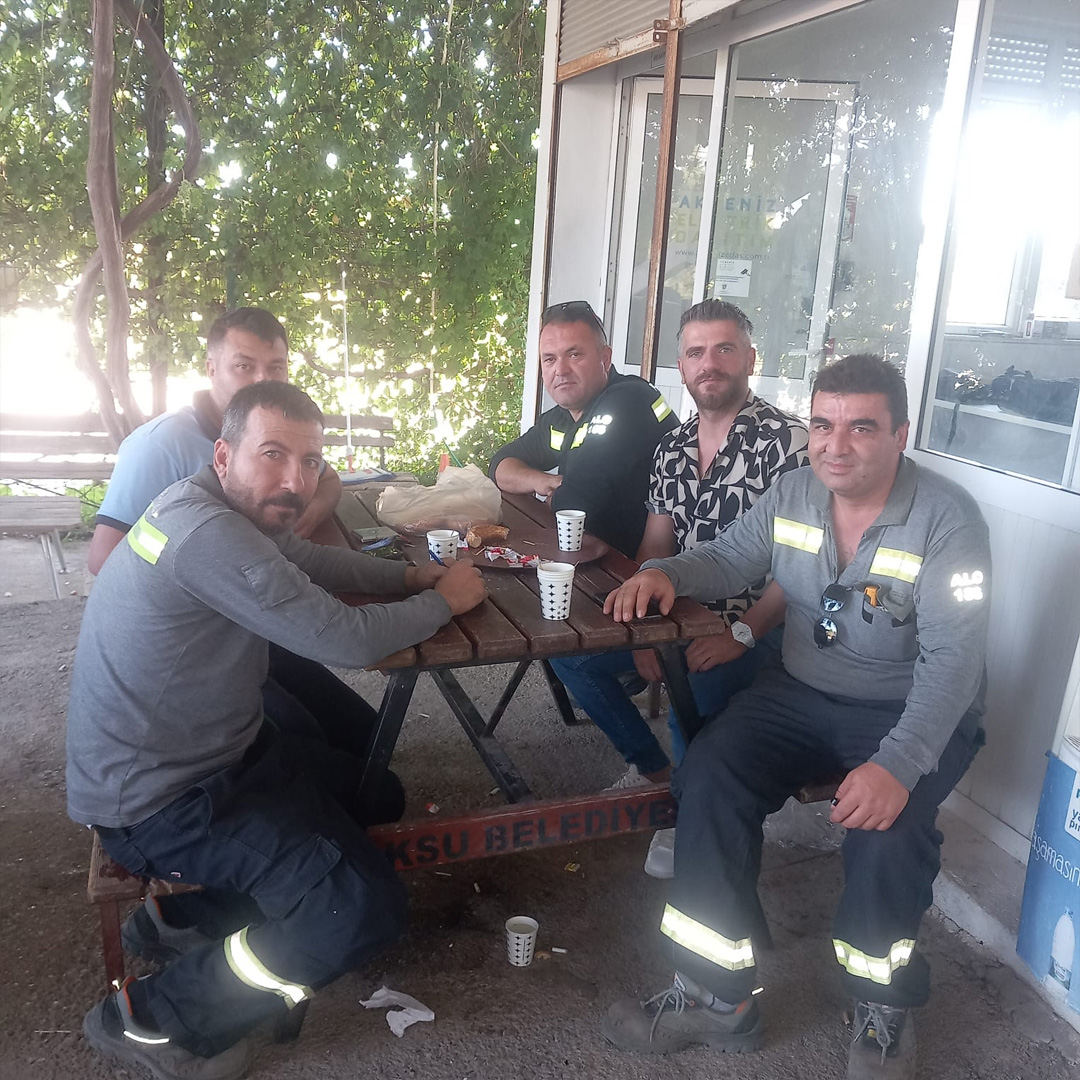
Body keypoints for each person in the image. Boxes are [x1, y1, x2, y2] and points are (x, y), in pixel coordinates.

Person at [67, 381, 487, 1080]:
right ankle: (154, 1018)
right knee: (358, 910)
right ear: (224, 455)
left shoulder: (214, 506)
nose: (296, 480)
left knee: (374, 794)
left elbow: (312, 561)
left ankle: (184, 919)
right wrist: (443, 602)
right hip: (160, 802)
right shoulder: (207, 533)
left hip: (215, 756)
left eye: (311, 461)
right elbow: (345, 637)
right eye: (273, 454)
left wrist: (413, 578)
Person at [601, 354, 991, 1079]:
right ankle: (717, 997)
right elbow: (728, 558)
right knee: (709, 775)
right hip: (802, 692)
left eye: (861, 427)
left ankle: (882, 1006)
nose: (836, 445)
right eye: (822, 425)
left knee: (890, 827)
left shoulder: (948, 520)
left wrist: (897, 765)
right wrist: (663, 573)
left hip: (910, 706)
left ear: (900, 435)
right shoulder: (795, 492)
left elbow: (954, 664)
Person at [548, 301, 808, 837]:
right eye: (695, 352)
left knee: (694, 683)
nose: (709, 363)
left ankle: (689, 821)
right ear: (682, 366)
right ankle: (657, 775)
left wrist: (742, 633)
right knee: (570, 652)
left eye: (724, 349)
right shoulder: (672, 447)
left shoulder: (789, 443)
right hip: (679, 613)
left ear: (750, 359)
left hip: (766, 624)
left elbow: (804, 567)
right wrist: (646, 631)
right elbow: (655, 545)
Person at [87, 306, 341, 574]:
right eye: (244, 366)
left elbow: (329, 481)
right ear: (212, 369)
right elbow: (104, 559)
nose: (263, 380)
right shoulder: (159, 444)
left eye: (276, 367)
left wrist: (309, 516)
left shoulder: (279, 434)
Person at [489, 300, 679, 557]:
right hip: (595, 555)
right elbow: (499, 465)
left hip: (638, 568)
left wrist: (557, 496)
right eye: (549, 359)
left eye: (574, 355)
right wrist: (544, 482)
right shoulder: (563, 416)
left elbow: (573, 505)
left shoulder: (629, 402)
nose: (561, 370)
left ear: (605, 358)